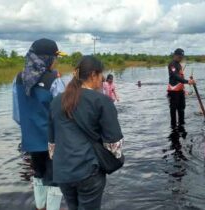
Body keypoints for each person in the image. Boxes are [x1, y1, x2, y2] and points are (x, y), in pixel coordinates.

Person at [49, 56, 124, 210]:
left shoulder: (56, 101)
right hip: (88, 170)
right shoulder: (102, 101)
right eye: (101, 75)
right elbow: (114, 145)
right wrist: (115, 159)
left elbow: (52, 144)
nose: (102, 79)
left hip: (62, 170)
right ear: (92, 75)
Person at [12, 38, 66, 210]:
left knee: (38, 175)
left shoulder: (18, 79)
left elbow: (17, 115)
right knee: (55, 179)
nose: (56, 61)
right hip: (52, 142)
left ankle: (39, 207)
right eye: (55, 57)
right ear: (47, 58)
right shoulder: (54, 81)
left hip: (30, 140)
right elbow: (64, 115)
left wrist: (30, 129)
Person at [167, 48, 195, 128]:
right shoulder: (172, 64)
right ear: (175, 55)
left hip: (180, 91)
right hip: (173, 92)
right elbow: (175, 76)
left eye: (182, 57)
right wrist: (187, 81)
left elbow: (180, 78)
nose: (181, 58)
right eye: (179, 57)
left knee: (182, 109)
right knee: (173, 110)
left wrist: (189, 81)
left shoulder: (179, 65)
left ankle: (182, 125)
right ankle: (173, 127)